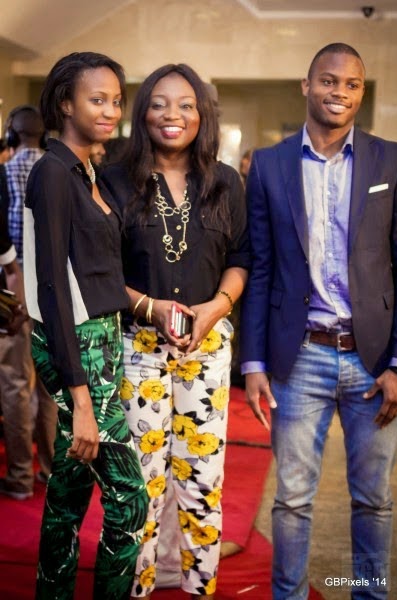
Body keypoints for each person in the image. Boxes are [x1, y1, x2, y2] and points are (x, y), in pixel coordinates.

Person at [240, 42, 397, 600]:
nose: (339, 92)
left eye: (352, 84)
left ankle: (368, 594)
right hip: (299, 355)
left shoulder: (391, 160)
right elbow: (260, 267)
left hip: (372, 359)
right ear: (306, 86)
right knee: (292, 500)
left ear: (362, 92)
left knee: (374, 499)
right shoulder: (269, 164)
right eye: (328, 81)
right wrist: (253, 362)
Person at [102, 63, 250, 599]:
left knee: (202, 483)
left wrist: (215, 308)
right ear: (142, 113)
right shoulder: (114, 180)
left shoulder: (225, 181)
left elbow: (241, 258)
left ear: (202, 115)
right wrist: (150, 307)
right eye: (160, 103)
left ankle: (199, 589)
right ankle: (138, 589)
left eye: (186, 105)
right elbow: (100, 272)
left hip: (207, 348)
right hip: (137, 347)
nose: (173, 115)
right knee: (142, 484)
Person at [23, 51, 148, 599]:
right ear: (65, 103)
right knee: (129, 500)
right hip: (76, 343)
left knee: (70, 492)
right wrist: (80, 397)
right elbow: (51, 286)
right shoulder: (53, 173)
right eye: (97, 99)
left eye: (116, 100)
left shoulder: (84, 168)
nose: (111, 111)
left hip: (101, 338)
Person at [0, 105, 57, 500]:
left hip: (13, 285)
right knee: (51, 384)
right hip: (53, 287)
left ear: (10, 135)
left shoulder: (4, 172)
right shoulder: (58, 171)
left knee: (16, 383)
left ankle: (20, 476)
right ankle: (50, 471)